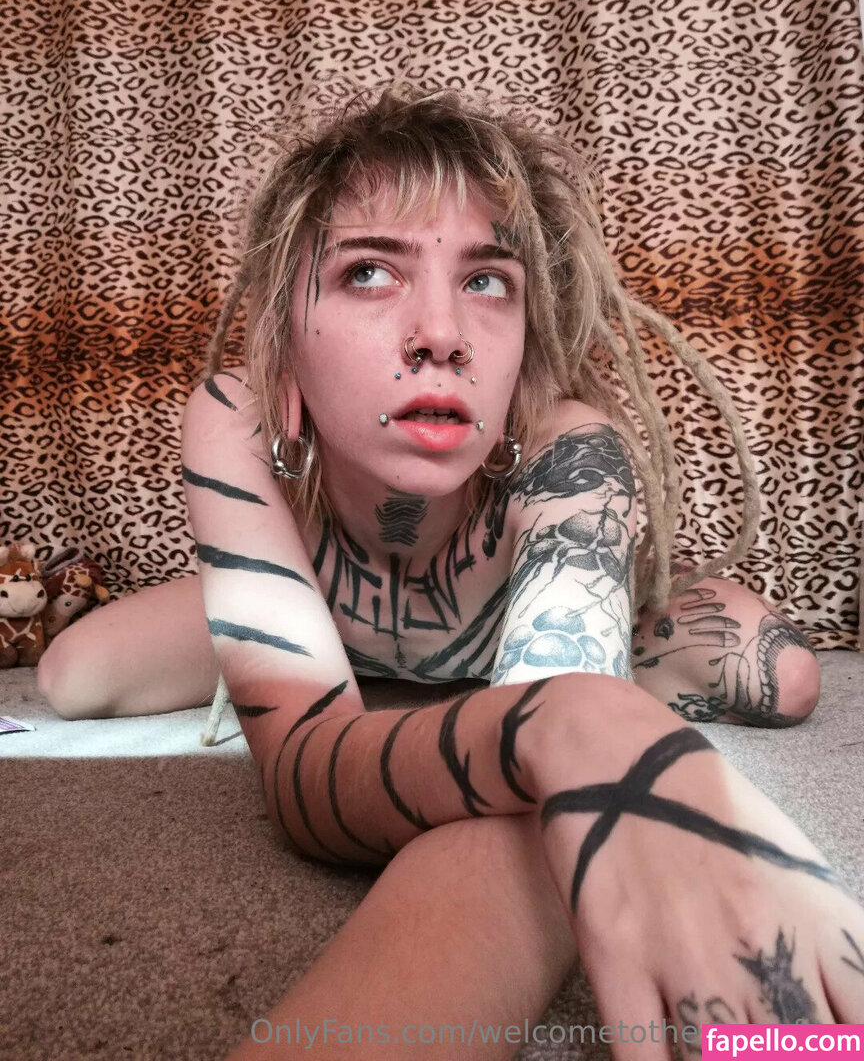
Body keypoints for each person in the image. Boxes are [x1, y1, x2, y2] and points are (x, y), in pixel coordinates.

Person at [38, 85, 863, 1058]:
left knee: (776, 673)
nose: (442, 332)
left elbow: (533, 785)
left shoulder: (569, 448)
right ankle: (348, 635)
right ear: (284, 337)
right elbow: (303, 778)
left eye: (487, 281)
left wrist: (576, 720)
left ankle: (585, 609)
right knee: (72, 676)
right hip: (340, 602)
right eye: (368, 273)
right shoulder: (238, 413)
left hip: (496, 603)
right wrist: (566, 724)